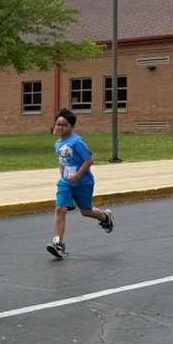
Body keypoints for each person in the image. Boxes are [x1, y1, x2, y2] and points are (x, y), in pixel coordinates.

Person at [48, 108, 113, 258]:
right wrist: (63, 176)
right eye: (58, 124)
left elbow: (89, 160)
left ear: (71, 126)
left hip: (83, 182)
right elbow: (62, 162)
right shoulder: (57, 144)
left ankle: (105, 217)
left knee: (86, 211)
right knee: (60, 209)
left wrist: (76, 176)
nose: (60, 128)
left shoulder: (77, 141)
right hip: (66, 182)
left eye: (64, 125)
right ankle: (58, 244)